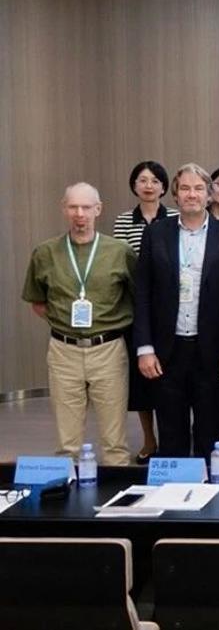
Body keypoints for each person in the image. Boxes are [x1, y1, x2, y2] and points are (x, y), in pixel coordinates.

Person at [134, 163, 219, 460]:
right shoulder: (156, 234)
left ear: (209, 195)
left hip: (213, 353)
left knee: (211, 436)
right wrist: (144, 348)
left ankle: (209, 488)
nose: (191, 194)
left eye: (199, 188)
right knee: (171, 435)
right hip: (166, 351)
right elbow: (142, 293)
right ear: (175, 194)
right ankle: (174, 489)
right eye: (185, 188)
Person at [22, 183, 135, 466]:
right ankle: (66, 488)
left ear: (98, 209)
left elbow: (137, 299)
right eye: (73, 207)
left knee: (115, 443)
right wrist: (65, 325)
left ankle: (115, 489)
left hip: (108, 348)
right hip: (63, 350)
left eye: (86, 207)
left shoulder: (119, 251)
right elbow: (38, 301)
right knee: (67, 443)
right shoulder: (45, 252)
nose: (80, 214)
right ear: (64, 209)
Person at [112, 160, 175, 464]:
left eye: (155, 181)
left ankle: (175, 436)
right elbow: (122, 264)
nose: (149, 186)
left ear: (164, 187)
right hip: (139, 306)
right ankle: (150, 439)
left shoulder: (175, 217)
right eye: (142, 180)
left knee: (172, 376)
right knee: (143, 381)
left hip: (174, 308)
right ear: (134, 186)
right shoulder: (124, 221)